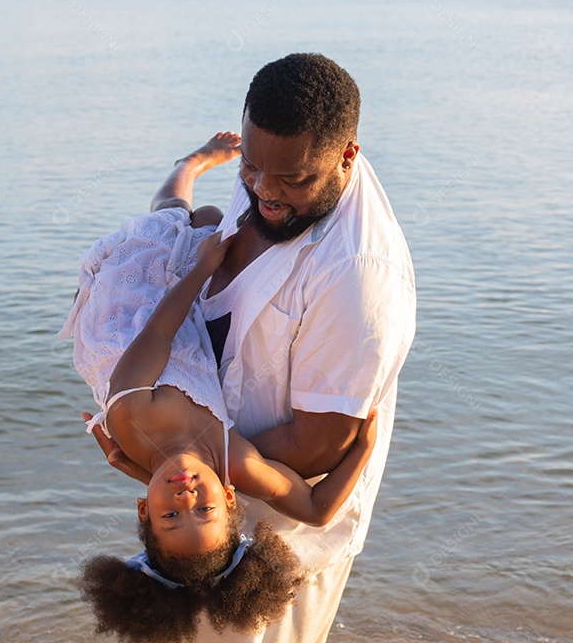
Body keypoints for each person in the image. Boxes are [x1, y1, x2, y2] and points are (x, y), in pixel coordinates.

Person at [95, 52, 417, 641]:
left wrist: (172, 462)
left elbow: (313, 452)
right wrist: (184, 462)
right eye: (250, 166)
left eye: (292, 179)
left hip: (277, 550)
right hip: (225, 512)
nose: (265, 191)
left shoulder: (356, 276)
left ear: (347, 155)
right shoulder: (276, 174)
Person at [58, 134, 379, 641]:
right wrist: (364, 449)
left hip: (127, 316)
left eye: (169, 514)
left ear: (144, 509)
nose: (185, 496)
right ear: (230, 499)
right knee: (210, 219)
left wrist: (204, 266)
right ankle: (197, 186)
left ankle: (189, 162)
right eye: (203, 510)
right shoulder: (235, 459)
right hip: (184, 334)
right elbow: (315, 510)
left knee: (170, 216)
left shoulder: (131, 416)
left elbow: (157, 331)